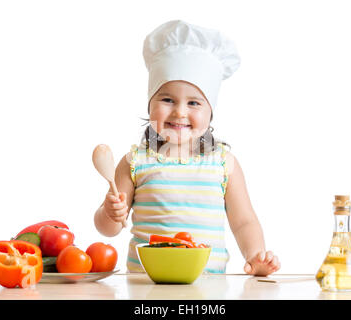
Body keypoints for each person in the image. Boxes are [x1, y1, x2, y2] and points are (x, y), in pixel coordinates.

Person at [94, 20, 280, 275]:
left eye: (194, 103)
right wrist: (109, 212)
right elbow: (109, 228)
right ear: (150, 104)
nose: (180, 111)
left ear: (210, 111)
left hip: (209, 287)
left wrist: (255, 255)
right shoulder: (133, 162)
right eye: (167, 99)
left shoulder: (224, 164)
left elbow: (244, 222)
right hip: (145, 286)